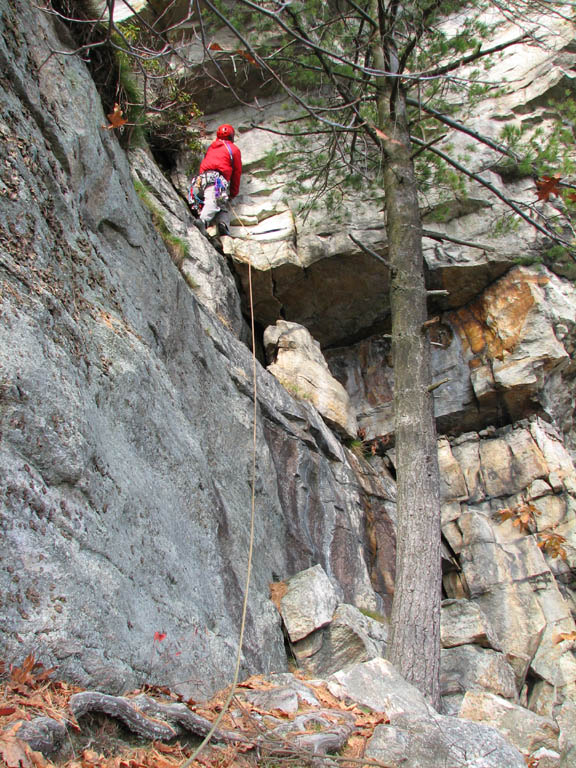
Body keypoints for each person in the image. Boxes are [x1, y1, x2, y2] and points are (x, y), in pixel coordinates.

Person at [191, 124, 242, 237]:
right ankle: (203, 222)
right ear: (232, 136)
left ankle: (221, 226)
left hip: (201, 180)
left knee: (218, 203)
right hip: (216, 180)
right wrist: (233, 193)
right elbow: (236, 173)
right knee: (213, 202)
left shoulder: (212, 146)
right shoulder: (234, 150)